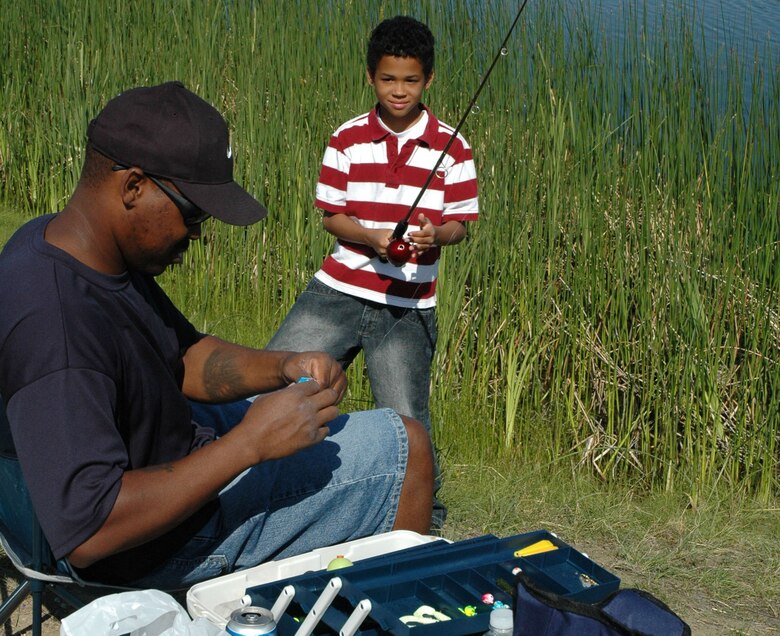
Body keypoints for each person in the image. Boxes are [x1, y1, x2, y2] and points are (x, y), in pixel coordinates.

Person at [0, 81, 433, 589]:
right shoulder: (59, 326)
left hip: (161, 448)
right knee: (406, 446)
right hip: (151, 547)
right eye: (193, 214)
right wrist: (249, 444)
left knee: (299, 426)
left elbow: (181, 357)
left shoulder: (68, 246)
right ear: (133, 186)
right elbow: (92, 528)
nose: (199, 234)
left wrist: (283, 366)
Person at [266, 16, 479, 529]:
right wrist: (371, 236)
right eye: (388, 79)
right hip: (335, 292)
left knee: (406, 422)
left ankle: (422, 523)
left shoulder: (454, 148)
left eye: (410, 80)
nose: (399, 91)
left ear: (428, 79)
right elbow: (330, 216)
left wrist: (434, 234)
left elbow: (460, 227)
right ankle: (259, 490)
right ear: (370, 77)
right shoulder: (347, 139)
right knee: (273, 382)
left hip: (407, 308)